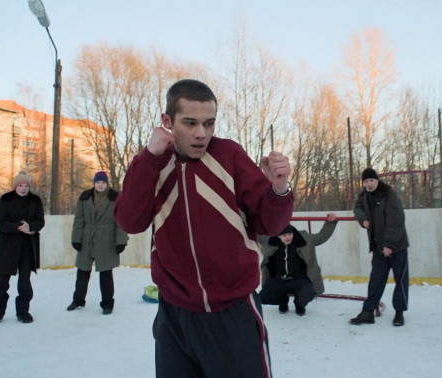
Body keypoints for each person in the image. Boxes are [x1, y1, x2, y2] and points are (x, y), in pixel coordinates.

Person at [113, 79, 293, 377]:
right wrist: (148, 157)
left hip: (233, 313)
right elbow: (129, 221)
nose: (202, 134)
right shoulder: (153, 165)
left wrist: (279, 189)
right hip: (175, 316)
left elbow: (269, 223)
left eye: (209, 123)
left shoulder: (229, 155)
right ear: (167, 121)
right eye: (190, 123)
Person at [350, 168, 410, 327]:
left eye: (371, 181)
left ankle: (399, 313)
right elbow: (357, 208)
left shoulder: (388, 194)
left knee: (401, 280)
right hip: (378, 246)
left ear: (377, 180)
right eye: (366, 181)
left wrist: (389, 245)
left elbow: (396, 220)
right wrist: (363, 220)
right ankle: (368, 312)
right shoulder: (363, 196)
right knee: (376, 279)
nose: (369, 184)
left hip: (397, 246)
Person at [67, 170, 129, 315]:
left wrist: (121, 241)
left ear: (107, 184)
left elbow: (120, 220)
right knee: (82, 271)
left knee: (106, 273)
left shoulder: (115, 197)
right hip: (87, 237)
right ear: (94, 183)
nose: (100, 185)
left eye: (103, 182)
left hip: (106, 238)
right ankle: (78, 300)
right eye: (98, 182)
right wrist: (76, 238)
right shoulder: (85, 196)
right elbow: (79, 219)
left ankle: (107, 303)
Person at [0, 171, 45, 324]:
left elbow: (40, 221)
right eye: (20, 185)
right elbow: (0, 223)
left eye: (26, 185)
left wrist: (31, 227)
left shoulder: (35, 200)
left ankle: (23, 312)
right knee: (1, 282)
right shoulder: (5, 200)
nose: (23, 188)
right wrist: (18, 227)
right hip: (7, 247)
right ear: (15, 186)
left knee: (25, 282)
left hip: (27, 247)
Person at [259, 213, 338, 316]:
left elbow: (321, 237)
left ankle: (299, 304)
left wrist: (330, 223)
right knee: (263, 296)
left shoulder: (305, 239)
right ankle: (282, 301)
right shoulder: (269, 240)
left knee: (309, 291)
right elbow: (255, 234)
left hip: (300, 279)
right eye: (284, 235)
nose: (287, 238)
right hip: (278, 280)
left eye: (289, 234)